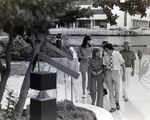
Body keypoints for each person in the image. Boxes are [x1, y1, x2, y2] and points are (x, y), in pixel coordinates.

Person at [103, 43, 126, 113]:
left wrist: (124, 75)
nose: (105, 51)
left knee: (117, 90)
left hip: (116, 72)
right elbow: (104, 67)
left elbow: (123, 64)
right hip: (109, 73)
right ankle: (113, 106)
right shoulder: (105, 56)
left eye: (106, 49)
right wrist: (105, 76)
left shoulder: (117, 54)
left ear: (109, 48)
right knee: (110, 91)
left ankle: (117, 102)